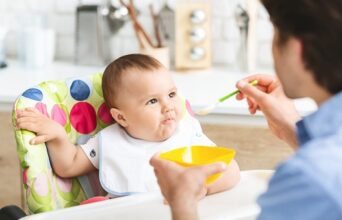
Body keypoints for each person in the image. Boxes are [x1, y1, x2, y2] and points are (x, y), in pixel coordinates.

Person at [150, 0, 342, 219]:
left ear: (300, 51)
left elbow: (329, 177)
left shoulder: (310, 178)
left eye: (275, 35)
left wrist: (182, 202)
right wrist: (291, 128)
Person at [16, 54, 240, 198]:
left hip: (184, 212)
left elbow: (229, 169)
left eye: (171, 94)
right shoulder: (109, 141)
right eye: (152, 101)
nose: (168, 106)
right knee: (91, 207)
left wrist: (203, 189)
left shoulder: (186, 132)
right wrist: (57, 136)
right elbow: (69, 165)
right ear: (121, 118)